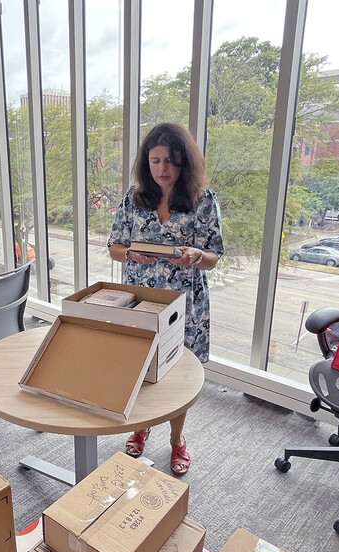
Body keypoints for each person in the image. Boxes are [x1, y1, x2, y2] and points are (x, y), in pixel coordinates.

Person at [107, 122, 224, 475]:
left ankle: (177, 439)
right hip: (141, 301)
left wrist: (194, 255)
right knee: (140, 368)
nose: (162, 170)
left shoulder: (204, 200)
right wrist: (130, 255)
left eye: (170, 161)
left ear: (184, 163)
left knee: (176, 375)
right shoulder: (133, 197)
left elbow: (214, 255)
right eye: (155, 161)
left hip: (184, 304)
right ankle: (141, 426)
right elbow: (114, 246)